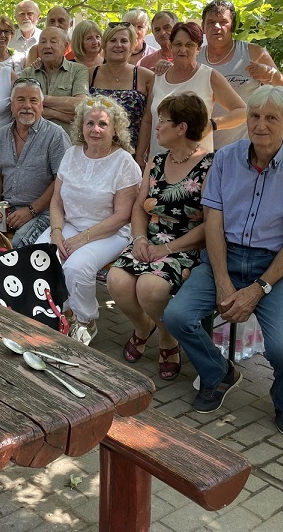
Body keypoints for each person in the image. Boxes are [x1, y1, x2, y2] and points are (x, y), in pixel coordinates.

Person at [163, 86, 283, 439]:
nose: (260, 125)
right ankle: (217, 372)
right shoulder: (225, 158)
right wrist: (222, 280)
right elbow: (214, 224)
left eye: (271, 118)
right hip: (225, 255)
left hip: (273, 267)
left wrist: (258, 289)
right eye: (254, 116)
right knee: (177, 316)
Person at [107, 92, 215, 381]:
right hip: (150, 241)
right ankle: (143, 326)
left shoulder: (210, 166)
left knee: (150, 288)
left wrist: (166, 250)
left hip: (186, 247)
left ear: (181, 128)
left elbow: (210, 225)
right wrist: (140, 239)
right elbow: (139, 207)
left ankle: (168, 338)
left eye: (163, 121)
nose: (156, 126)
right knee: (116, 280)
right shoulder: (156, 161)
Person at [35, 97, 142, 344]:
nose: (95, 129)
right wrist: (56, 232)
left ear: (115, 130)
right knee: (42, 256)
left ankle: (85, 321)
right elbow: (56, 200)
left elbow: (122, 216)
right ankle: (61, 312)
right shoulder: (71, 154)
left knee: (75, 267)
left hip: (110, 231)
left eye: (103, 124)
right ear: (81, 127)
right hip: (70, 224)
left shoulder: (123, 162)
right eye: (90, 123)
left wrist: (82, 239)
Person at [0, 78, 70, 249]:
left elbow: (61, 181)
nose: (27, 106)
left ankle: (11, 258)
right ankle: (10, 259)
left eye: (33, 100)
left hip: (44, 211)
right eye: (20, 100)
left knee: (20, 245)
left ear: (41, 106)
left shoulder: (55, 135)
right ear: (11, 106)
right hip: (8, 206)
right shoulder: (2, 134)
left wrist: (31, 210)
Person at [199, 0, 283, 148]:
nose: (216, 27)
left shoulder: (253, 53)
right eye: (211, 22)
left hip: (243, 147)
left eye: (223, 22)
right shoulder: (195, 56)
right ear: (203, 27)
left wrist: (271, 74)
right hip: (202, 147)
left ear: (233, 26)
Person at [148, 21, 246, 160]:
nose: (183, 50)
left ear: (198, 48)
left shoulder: (209, 76)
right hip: (158, 161)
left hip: (197, 162)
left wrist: (212, 124)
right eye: (178, 44)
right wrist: (140, 156)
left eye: (189, 45)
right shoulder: (158, 76)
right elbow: (148, 120)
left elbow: (242, 111)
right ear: (170, 46)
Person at [89, 22, 156, 164]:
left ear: (132, 46)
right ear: (104, 45)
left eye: (124, 41)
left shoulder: (146, 77)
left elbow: (148, 120)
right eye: (113, 40)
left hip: (130, 156)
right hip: (94, 154)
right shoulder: (90, 75)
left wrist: (140, 156)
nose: (118, 45)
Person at [17, 26, 88, 130]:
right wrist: (58, 114)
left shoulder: (78, 70)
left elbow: (81, 104)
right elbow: (20, 108)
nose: (47, 46)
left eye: (53, 42)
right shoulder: (27, 73)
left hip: (67, 138)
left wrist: (37, 99)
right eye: (43, 42)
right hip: (33, 137)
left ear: (65, 46)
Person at [9, 0, 41, 70]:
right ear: (15, 18)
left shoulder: (45, 38)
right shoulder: (9, 40)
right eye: (22, 14)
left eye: (30, 14)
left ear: (38, 16)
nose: (26, 17)